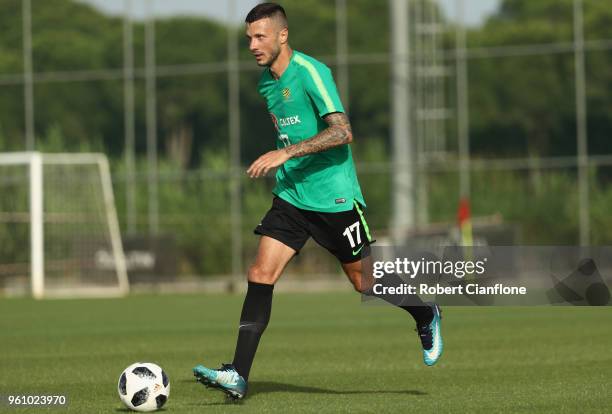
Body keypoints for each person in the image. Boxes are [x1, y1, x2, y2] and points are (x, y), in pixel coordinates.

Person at [193, 2, 443, 400]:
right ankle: (238, 375)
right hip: (292, 196)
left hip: (335, 197)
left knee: (364, 281)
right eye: (249, 39)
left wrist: (285, 154)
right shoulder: (266, 83)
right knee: (260, 274)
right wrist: (285, 158)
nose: (253, 45)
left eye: (260, 37)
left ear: (282, 35)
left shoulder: (311, 72)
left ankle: (424, 311)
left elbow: (342, 132)